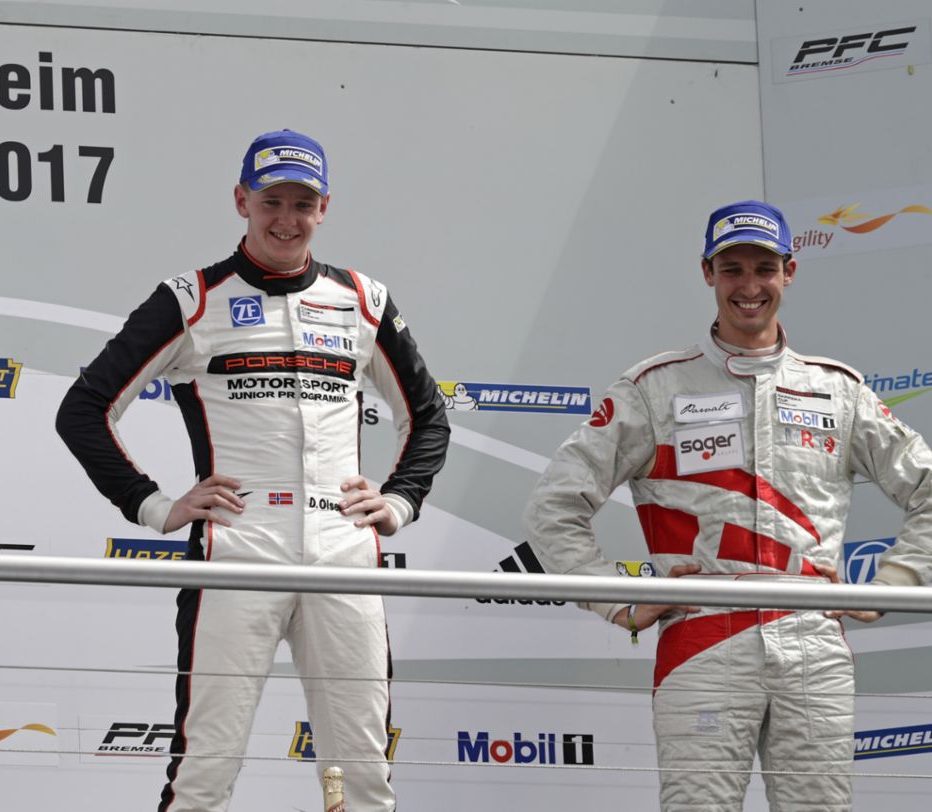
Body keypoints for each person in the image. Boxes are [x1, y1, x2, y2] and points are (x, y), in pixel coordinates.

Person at [56, 130, 449, 811]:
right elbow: (84, 409)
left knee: (363, 774)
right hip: (237, 546)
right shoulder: (191, 299)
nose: (287, 219)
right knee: (206, 770)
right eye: (272, 201)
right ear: (242, 200)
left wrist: (401, 500)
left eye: (304, 203)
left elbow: (430, 419)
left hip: (344, 549)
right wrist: (153, 506)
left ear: (325, 208)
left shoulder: (364, 300)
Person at [523, 200, 932, 811]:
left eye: (763, 269)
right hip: (702, 642)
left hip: (813, 647)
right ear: (707, 273)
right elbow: (553, 505)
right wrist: (619, 601)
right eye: (732, 268)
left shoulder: (836, 389)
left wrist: (895, 582)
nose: (749, 286)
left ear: (789, 271)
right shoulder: (654, 387)